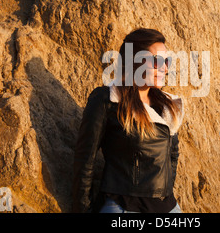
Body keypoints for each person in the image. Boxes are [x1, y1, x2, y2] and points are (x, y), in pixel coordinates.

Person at [72, 28, 185, 213]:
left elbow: (172, 155)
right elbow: (85, 159)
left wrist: (163, 194)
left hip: (167, 208)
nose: (165, 67)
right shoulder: (108, 100)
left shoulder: (169, 105)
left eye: (167, 61)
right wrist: (83, 210)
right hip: (123, 207)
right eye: (157, 61)